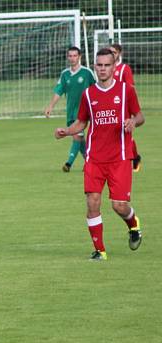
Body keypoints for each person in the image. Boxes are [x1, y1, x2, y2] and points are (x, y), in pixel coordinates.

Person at [54, 48, 144, 261]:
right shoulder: (89, 93)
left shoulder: (126, 91)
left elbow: (139, 116)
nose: (102, 69)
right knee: (92, 202)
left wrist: (133, 121)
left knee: (118, 206)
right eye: (99, 65)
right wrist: (66, 131)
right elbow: (82, 122)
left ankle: (133, 225)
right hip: (94, 158)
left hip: (120, 157)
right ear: (95, 66)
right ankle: (99, 251)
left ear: (114, 67)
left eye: (107, 65)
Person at [44, 46, 95, 172]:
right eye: (70, 56)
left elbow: (95, 90)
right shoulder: (65, 74)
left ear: (79, 57)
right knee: (80, 138)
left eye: (75, 56)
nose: (72, 58)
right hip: (70, 112)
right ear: (67, 57)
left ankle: (68, 163)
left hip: (83, 111)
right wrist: (50, 106)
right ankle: (90, 161)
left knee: (76, 136)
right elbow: (59, 91)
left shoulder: (87, 73)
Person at [109, 44, 142, 172]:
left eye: (115, 52)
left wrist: (132, 107)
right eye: (110, 52)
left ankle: (134, 158)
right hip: (110, 107)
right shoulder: (107, 68)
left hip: (123, 107)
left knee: (126, 133)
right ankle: (133, 157)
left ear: (119, 54)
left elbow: (130, 88)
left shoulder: (124, 68)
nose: (112, 54)